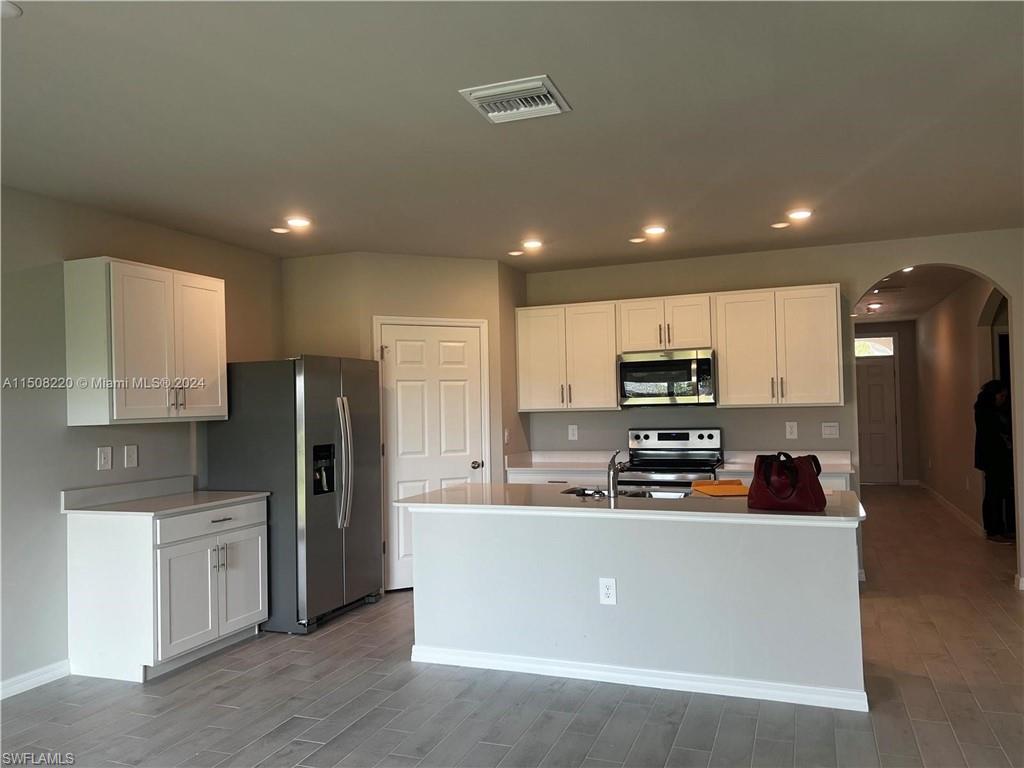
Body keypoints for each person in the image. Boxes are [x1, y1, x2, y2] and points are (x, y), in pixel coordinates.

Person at [974, 380, 1015, 542]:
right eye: (1001, 395)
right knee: (993, 492)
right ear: (993, 394)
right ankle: (993, 530)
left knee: (1001, 491)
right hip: (992, 458)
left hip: (1000, 457)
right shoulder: (984, 411)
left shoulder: (997, 410)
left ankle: (1002, 528)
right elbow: (990, 435)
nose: (1003, 399)